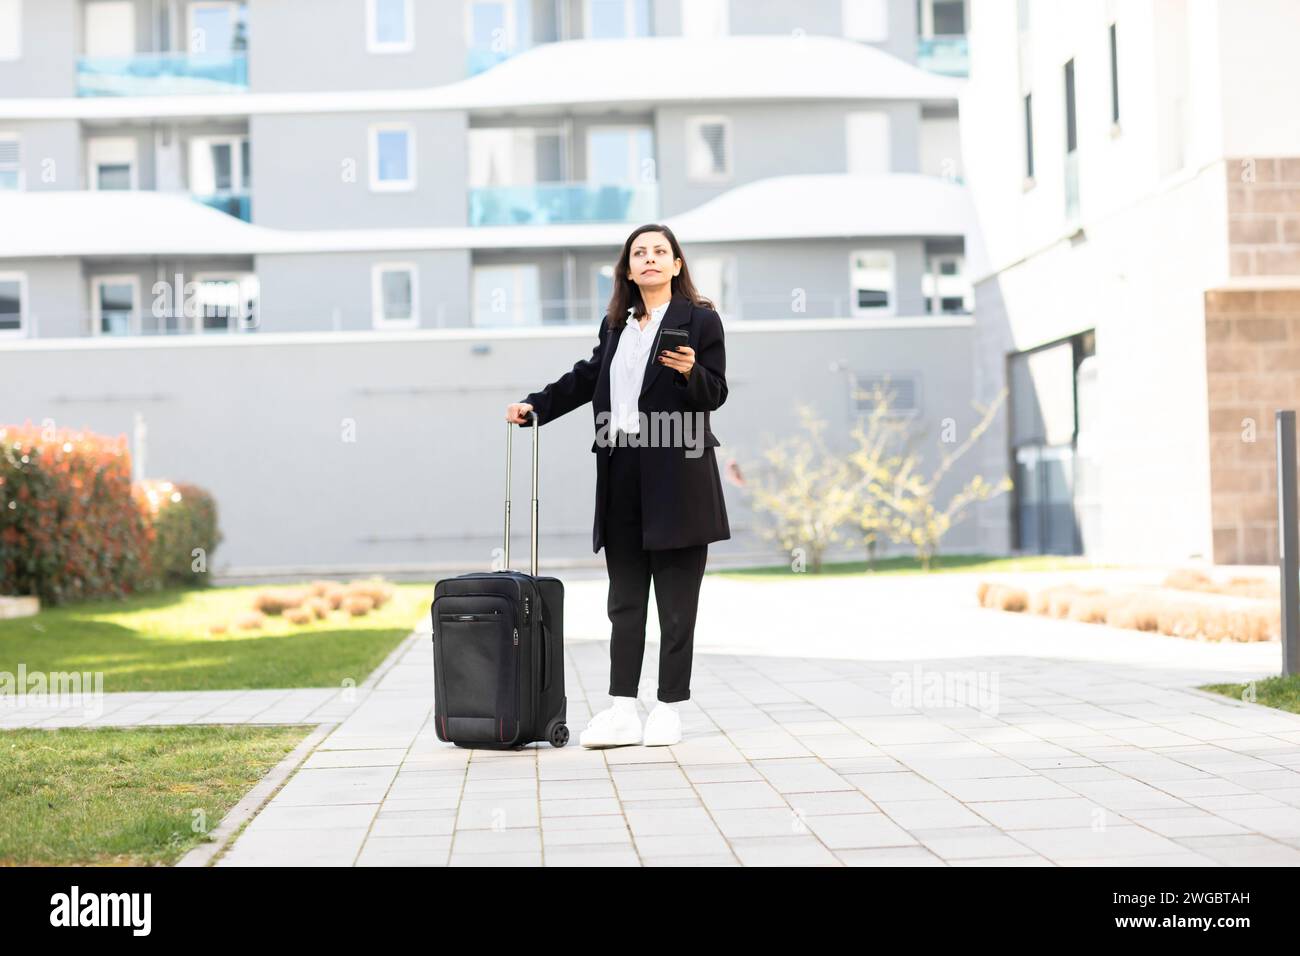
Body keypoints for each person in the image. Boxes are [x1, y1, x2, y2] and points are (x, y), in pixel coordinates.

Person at [505, 223, 731, 748]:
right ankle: (622, 708)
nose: (649, 259)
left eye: (660, 251)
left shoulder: (700, 320)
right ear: (628, 269)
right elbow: (587, 378)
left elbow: (715, 394)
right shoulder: (616, 325)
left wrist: (691, 370)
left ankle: (670, 708)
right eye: (639, 253)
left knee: (676, 604)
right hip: (622, 470)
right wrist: (537, 405)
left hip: (678, 472)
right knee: (624, 600)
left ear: (677, 264)